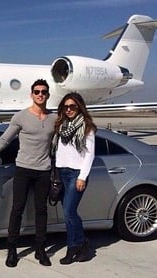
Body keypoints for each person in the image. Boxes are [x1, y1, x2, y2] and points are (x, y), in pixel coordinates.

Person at [0, 79, 57, 267]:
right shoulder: (20, 117)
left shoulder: (54, 119)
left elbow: (62, 142)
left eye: (43, 92)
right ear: (31, 94)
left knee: (41, 211)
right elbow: (4, 141)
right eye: (37, 92)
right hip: (24, 169)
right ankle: (12, 250)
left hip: (43, 171)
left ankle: (40, 250)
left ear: (48, 95)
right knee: (17, 210)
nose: (40, 94)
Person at [52, 92, 97, 264]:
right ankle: (82, 244)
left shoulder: (86, 127)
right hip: (62, 173)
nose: (69, 109)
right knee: (70, 213)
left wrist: (82, 177)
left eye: (73, 106)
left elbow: (89, 155)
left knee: (69, 212)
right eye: (66, 106)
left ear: (79, 107)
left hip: (76, 174)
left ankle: (72, 248)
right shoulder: (61, 125)